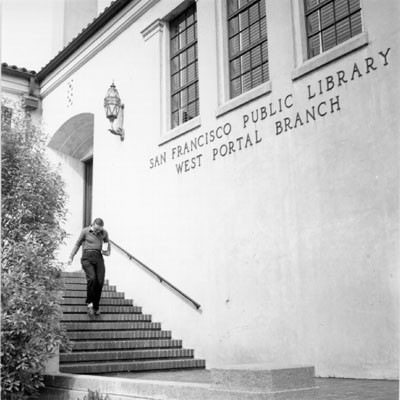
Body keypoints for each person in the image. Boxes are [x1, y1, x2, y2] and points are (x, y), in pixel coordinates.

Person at [68, 218, 111, 316]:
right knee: (92, 278)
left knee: (100, 281)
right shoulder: (85, 231)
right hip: (87, 258)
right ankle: (90, 304)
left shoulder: (104, 233)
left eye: (99, 230)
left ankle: (96, 306)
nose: (97, 232)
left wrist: (107, 252)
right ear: (93, 225)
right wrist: (71, 257)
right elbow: (78, 244)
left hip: (98, 258)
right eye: (96, 229)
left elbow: (107, 245)